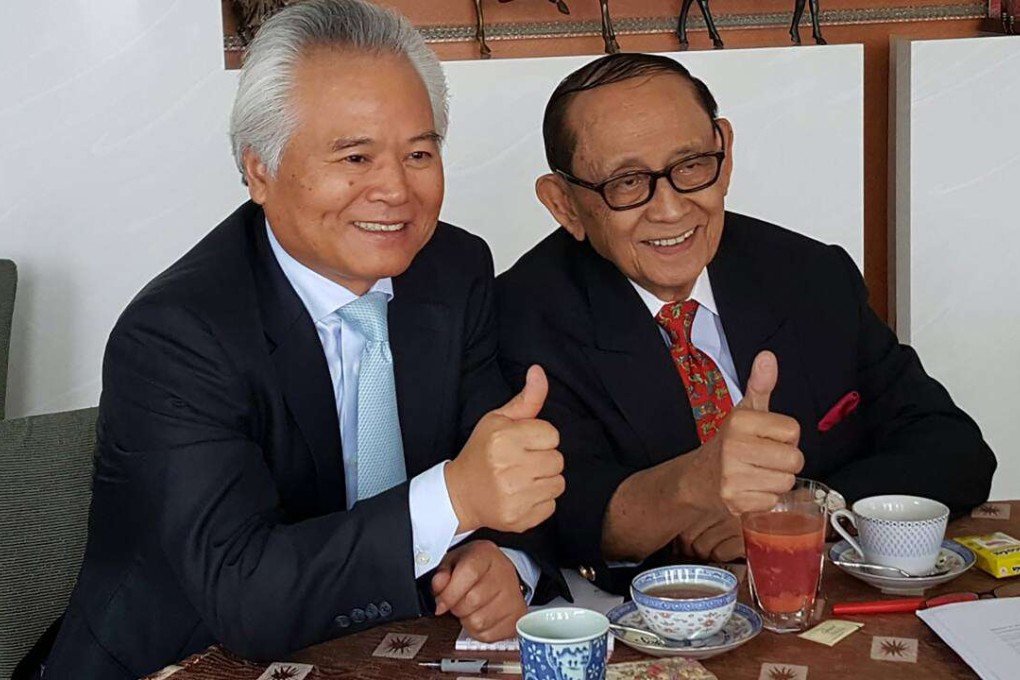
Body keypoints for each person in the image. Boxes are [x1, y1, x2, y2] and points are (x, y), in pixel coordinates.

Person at [23, 2, 567, 678]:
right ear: (259, 171)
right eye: (355, 156)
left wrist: (498, 557)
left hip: (388, 650)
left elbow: (506, 470)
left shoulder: (454, 272)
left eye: (419, 153)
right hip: (183, 659)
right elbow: (244, 597)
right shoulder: (176, 336)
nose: (395, 189)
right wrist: (456, 499)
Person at [496, 52, 996, 594]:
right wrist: (694, 483)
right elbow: (564, 516)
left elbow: (955, 449)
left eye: (690, 166)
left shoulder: (810, 275)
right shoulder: (522, 317)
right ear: (565, 204)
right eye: (627, 182)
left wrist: (800, 510)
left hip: (819, 602)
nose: (670, 209)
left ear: (725, 154)